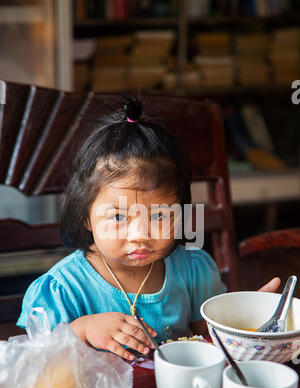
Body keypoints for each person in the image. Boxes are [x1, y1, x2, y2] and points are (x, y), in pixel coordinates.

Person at [17, 98, 281, 361]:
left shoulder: (192, 271)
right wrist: (83, 330)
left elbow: (211, 337)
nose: (140, 234)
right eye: (119, 216)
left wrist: (245, 319)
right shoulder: (64, 287)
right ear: (86, 216)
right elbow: (38, 359)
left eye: (158, 216)